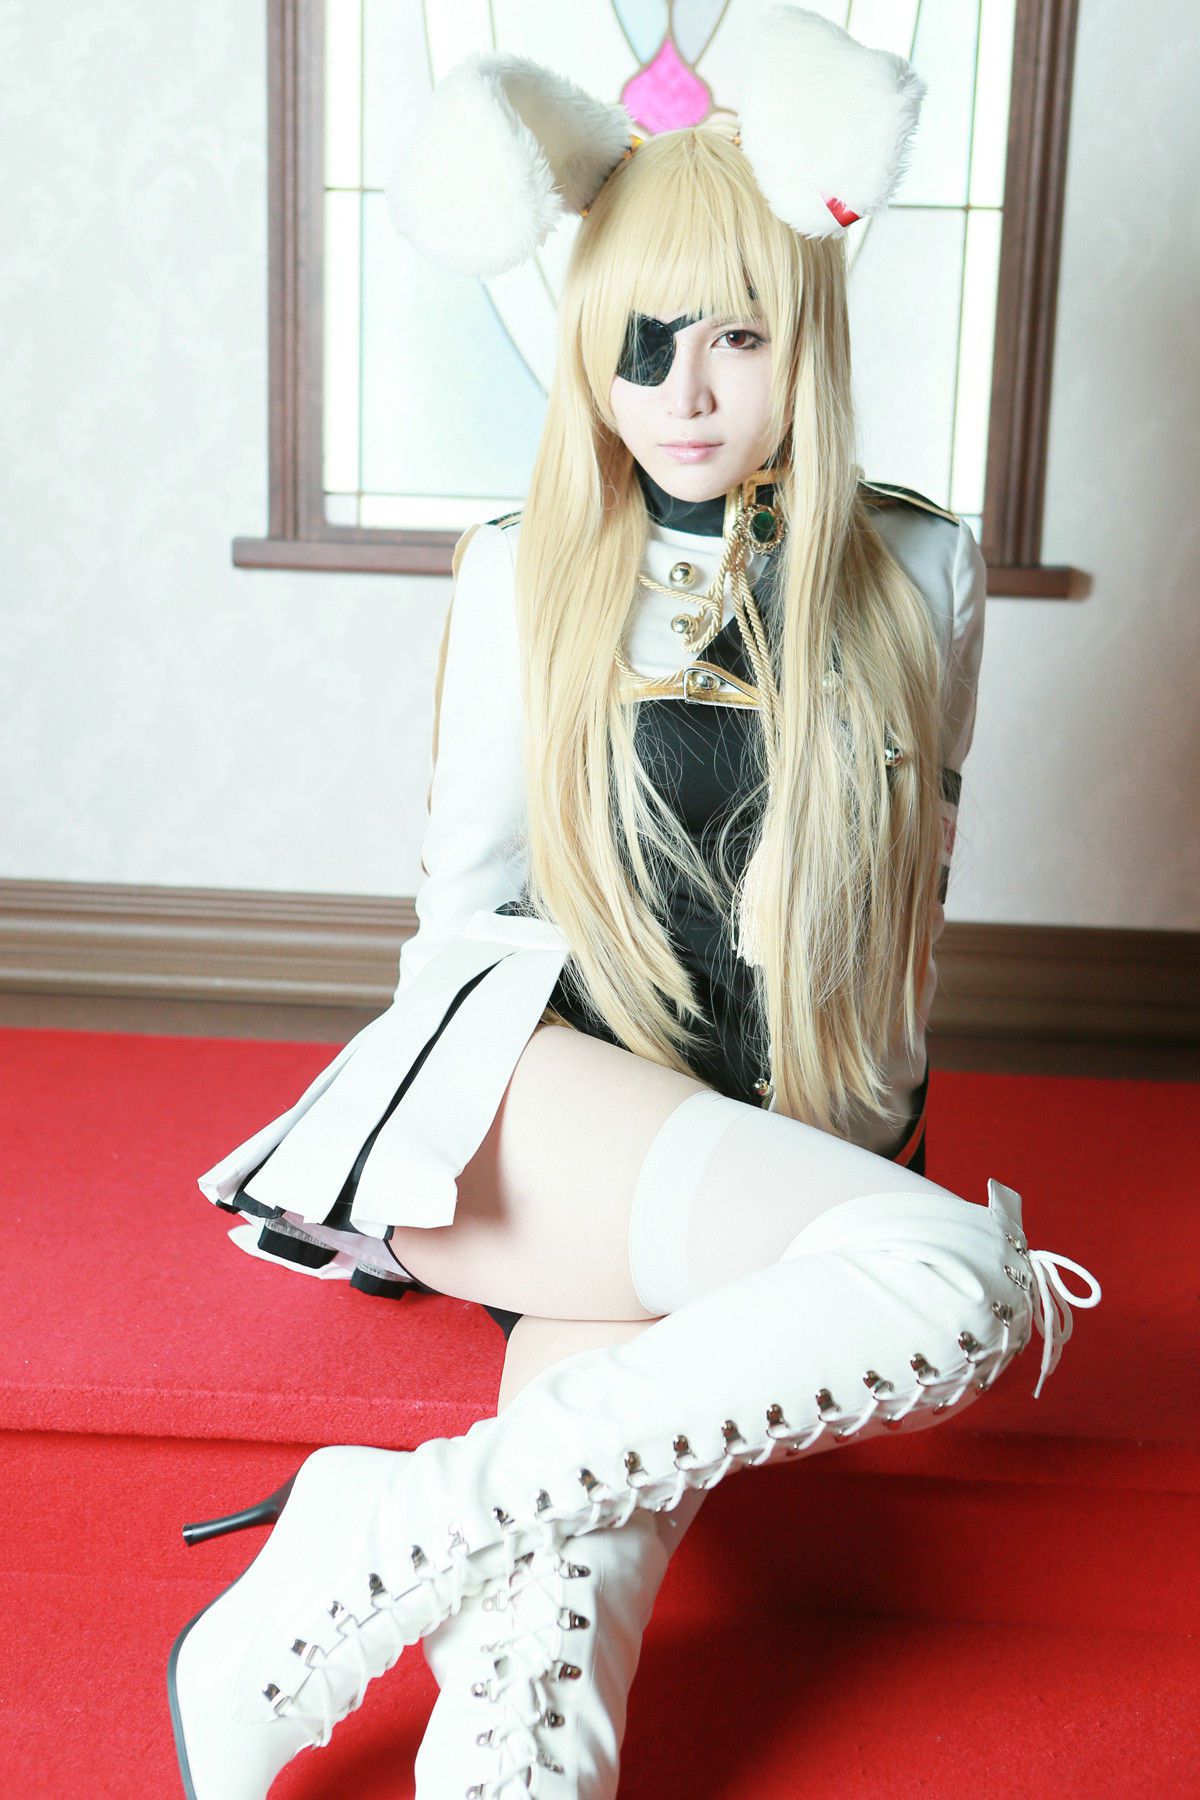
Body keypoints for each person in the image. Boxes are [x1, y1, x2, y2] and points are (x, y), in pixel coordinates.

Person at [167, 13, 1102, 1798]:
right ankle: (371, 1535)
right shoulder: (525, 568)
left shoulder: (918, 568)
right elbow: (461, 916)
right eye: (640, 342)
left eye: (734, 335)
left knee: (569, 1573)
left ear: (804, 337)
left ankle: (411, 1609)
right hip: (532, 1114)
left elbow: (904, 913)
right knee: (966, 1282)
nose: (683, 392)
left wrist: (823, 1172)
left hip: (770, 1139)